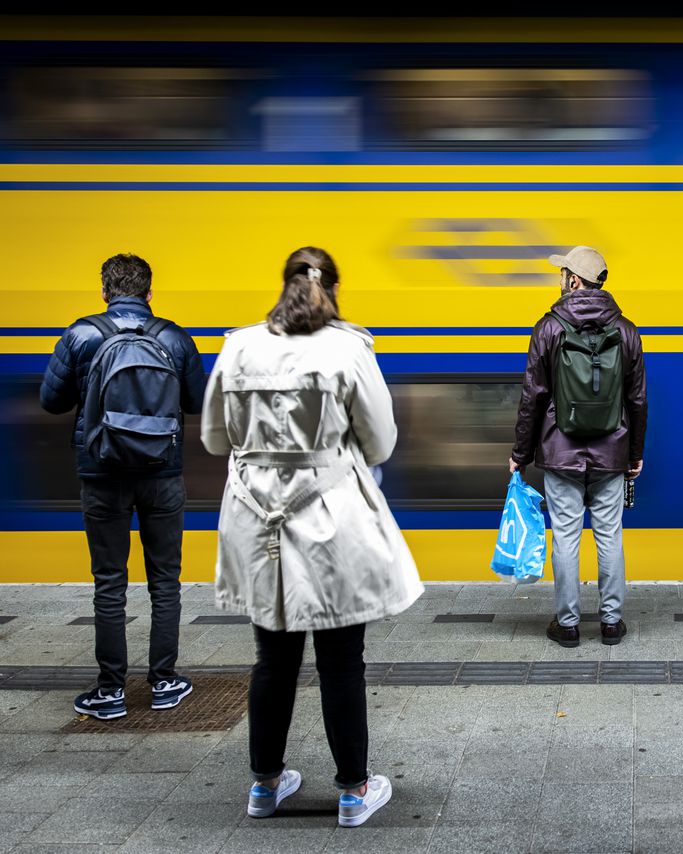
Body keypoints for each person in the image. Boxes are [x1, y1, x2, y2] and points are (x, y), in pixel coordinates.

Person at [201, 247, 422, 828]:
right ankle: (353, 791)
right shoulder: (348, 348)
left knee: (271, 659)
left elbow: (213, 440)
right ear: (334, 288)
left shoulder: (239, 346)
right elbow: (381, 443)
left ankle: (264, 786)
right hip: (330, 519)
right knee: (342, 661)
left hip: (256, 519)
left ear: (284, 286)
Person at [40, 253, 205, 720]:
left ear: (105, 292)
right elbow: (194, 402)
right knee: (165, 581)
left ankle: (110, 690)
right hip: (162, 474)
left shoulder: (81, 334)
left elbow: (51, 402)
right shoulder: (173, 336)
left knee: (109, 582)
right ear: (150, 294)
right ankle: (165, 682)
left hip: (101, 473)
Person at [509, 246, 647, 648]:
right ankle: (610, 623)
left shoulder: (548, 328)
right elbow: (637, 399)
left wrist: (520, 453)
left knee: (566, 537)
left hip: (560, 453)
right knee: (610, 537)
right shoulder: (626, 330)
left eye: (563, 271)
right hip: (612, 452)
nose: (560, 278)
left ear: (573, 280)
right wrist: (634, 453)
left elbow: (532, 396)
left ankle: (567, 624)